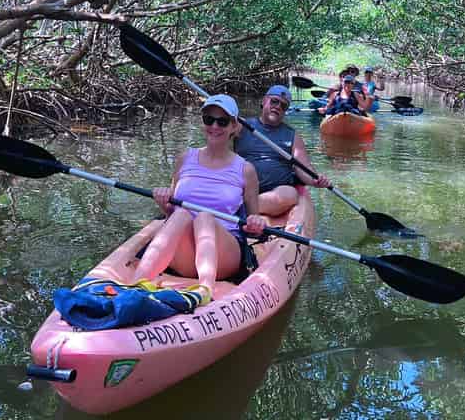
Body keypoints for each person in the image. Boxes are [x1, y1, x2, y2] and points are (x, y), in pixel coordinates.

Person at [133, 94, 266, 298]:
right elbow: (170, 212)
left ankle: (204, 290)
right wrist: (163, 202)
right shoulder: (185, 158)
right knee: (181, 214)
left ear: (234, 126)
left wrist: (255, 224)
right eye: (209, 119)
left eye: (222, 121)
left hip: (224, 254)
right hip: (185, 254)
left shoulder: (245, 170)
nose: (214, 126)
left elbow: (254, 224)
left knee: (204, 217)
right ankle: (136, 284)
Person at [235, 85, 331, 217]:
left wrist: (315, 180)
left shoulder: (292, 136)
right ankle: (242, 205)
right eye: (274, 101)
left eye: (283, 105)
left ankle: (242, 208)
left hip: (275, 191)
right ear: (264, 101)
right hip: (243, 187)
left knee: (290, 194)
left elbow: (303, 167)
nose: (278, 107)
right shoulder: (241, 126)